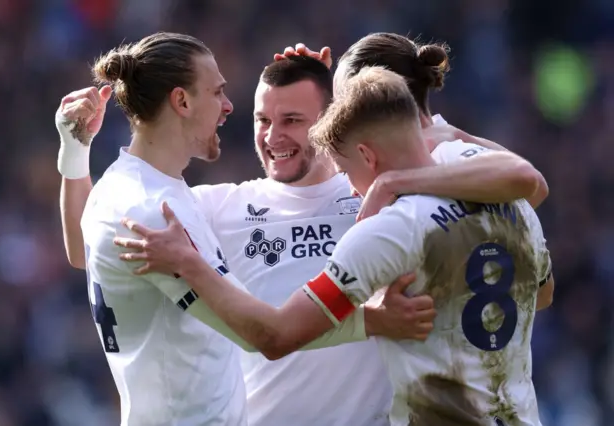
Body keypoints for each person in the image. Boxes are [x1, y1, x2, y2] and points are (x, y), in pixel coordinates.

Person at [59, 51, 549, 426]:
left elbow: (525, 181)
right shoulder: (217, 207)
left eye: (293, 120)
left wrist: (412, 138)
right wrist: (76, 154)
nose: (273, 136)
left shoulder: (380, 198)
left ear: (334, 122)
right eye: (262, 120)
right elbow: (90, 248)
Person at [274, 34, 550, 218]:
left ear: (376, 91)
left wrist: (393, 183)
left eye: (343, 102)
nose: (342, 114)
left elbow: (533, 187)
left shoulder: (443, 148)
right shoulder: (434, 144)